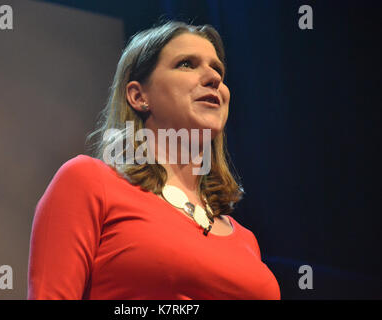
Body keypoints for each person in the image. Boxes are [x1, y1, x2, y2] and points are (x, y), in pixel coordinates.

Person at [27, 20, 280, 300]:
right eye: (186, 64)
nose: (214, 78)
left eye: (217, 69)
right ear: (138, 96)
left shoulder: (246, 240)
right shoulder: (88, 182)